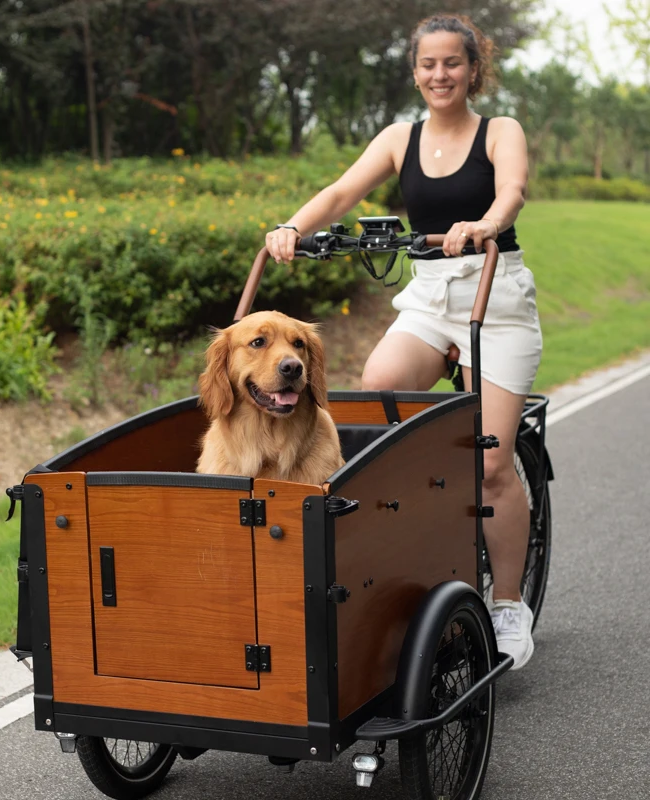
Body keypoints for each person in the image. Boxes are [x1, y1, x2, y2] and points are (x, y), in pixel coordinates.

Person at [265, 13, 542, 669]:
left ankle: (508, 604)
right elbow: (341, 192)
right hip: (428, 300)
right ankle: (416, 553)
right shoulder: (399, 138)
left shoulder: (499, 131)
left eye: (452, 63)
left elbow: (513, 191)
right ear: (415, 73)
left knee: (490, 462)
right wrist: (291, 227)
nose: (440, 75)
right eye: (428, 64)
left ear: (473, 69)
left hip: (495, 297)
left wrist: (485, 223)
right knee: (378, 396)